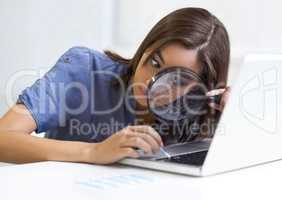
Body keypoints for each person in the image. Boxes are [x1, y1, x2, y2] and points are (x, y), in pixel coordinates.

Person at [0, 7, 230, 164]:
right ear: (146, 48)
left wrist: (232, 123)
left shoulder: (196, 110)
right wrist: (92, 152)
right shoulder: (83, 69)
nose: (152, 82)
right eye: (154, 62)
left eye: (176, 80)